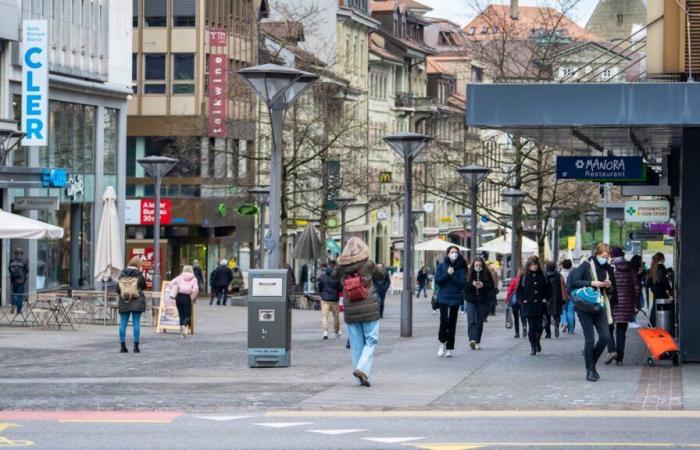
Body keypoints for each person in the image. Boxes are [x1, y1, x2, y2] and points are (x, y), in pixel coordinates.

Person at [332, 237, 385, 387]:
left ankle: (360, 377)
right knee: (371, 341)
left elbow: (333, 276)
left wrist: (340, 265)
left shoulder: (342, 267)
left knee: (356, 344)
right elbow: (381, 275)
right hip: (369, 308)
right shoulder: (368, 264)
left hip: (351, 310)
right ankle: (361, 369)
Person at [568, 243, 617, 382]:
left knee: (605, 337)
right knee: (590, 339)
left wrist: (609, 285)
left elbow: (613, 290)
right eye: (603, 256)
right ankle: (590, 370)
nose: (605, 259)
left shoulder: (608, 269)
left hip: (599, 305)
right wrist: (592, 283)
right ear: (596, 254)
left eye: (607, 257)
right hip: (585, 306)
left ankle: (591, 363)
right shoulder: (586, 265)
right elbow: (574, 282)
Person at [605, 247, 640, 366]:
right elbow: (637, 288)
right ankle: (620, 358)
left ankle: (611, 350)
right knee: (621, 332)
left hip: (612, 303)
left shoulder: (610, 268)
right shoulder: (630, 268)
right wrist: (635, 304)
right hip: (627, 304)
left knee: (608, 328)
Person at [434, 246, 467, 357]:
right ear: (447, 253)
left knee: (452, 322)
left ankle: (449, 348)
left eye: (456, 252)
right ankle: (442, 343)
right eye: (452, 252)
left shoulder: (462, 267)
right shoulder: (442, 266)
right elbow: (438, 281)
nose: (454, 254)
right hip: (443, 297)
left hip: (455, 297)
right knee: (444, 321)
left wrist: (452, 275)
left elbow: (462, 283)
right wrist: (447, 274)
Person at [517, 256, 551, 355]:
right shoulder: (524, 276)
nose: (534, 267)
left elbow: (549, 288)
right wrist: (523, 300)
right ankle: (533, 346)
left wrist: (546, 298)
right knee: (532, 327)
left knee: (539, 327)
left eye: (535, 264)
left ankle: (537, 341)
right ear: (528, 266)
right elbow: (519, 290)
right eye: (532, 265)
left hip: (541, 305)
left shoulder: (543, 275)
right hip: (529, 305)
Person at [115, 256, 147, 353]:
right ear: (138, 265)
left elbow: (117, 289)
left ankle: (122, 346)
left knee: (123, 323)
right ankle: (136, 347)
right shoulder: (139, 274)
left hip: (124, 300)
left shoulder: (122, 274)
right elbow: (144, 286)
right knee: (136, 323)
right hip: (137, 301)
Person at [464, 256, 495, 350]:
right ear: (473, 264)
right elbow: (464, 286)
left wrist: (483, 285)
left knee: (479, 321)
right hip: (471, 300)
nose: (478, 266)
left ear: (482, 265)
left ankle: (477, 341)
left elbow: (491, 287)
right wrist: (472, 284)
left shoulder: (486, 273)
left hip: (483, 300)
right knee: (471, 320)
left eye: (479, 265)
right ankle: (472, 340)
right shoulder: (469, 273)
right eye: (476, 264)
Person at [169, 265, 200, 338]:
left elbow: (171, 284)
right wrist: (192, 297)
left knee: (181, 314)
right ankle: (184, 325)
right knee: (187, 314)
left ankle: (181, 331)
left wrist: (175, 288)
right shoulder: (194, 279)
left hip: (179, 297)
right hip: (187, 297)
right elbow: (195, 289)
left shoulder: (179, 277)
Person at [646, 252, 672, 327]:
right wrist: (670, 290)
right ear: (661, 258)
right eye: (664, 258)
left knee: (655, 306)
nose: (664, 259)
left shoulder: (653, 266)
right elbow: (664, 280)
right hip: (661, 290)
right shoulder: (661, 266)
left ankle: (652, 322)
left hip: (655, 290)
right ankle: (664, 323)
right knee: (664, 306)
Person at [318, 262, 343, 339]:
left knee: (325, 316)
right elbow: (340, 288)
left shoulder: (322, 276)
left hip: (325, 299)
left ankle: (325, 332)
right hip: (334, 299)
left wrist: (322, 294)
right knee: (336, 316)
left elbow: (320, 287)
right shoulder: (336, 277)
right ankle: (336, 331)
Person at [545, 261, 566, 338]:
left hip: (547, 297)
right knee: (557, 314)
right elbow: (563, 287)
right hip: (557, 297)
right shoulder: (558, 275)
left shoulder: (544, 275)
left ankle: (548, 333)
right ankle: (556, 325)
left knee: (547, 315)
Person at [505, 269, 527, 339]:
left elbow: (509, 291)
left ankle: (517, 333)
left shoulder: (514, 280)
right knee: (523, 316)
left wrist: (507, 300)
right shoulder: (525, 280)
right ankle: (524, 326)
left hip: (514, 301)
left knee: (516, 317)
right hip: (523, 300)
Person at [8, 248, 29, 315]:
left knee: (14, 293)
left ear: (15, 253)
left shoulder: (12, 260)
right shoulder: (24, 260)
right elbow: (27, 270)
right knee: (20, 295)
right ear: (22, 253)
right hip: (21, 280)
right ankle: (19, 310)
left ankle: (13, 304)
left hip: (14, 280)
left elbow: (9, 269)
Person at [560, 259, 575, 335]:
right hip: (572, 294)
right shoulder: (573, 273)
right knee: (571, 311)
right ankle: (571, 330)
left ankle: (564, 322)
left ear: (562, 265)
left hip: (563, 294)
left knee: (563, 310)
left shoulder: (560, 274)